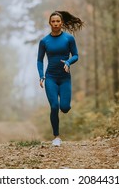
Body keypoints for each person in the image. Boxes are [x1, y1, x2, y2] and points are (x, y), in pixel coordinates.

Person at [37, 11, 83, 147]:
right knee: (54, 106)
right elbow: (39, 60)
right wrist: (41, 76)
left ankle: (65, 104)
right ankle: (56, 137)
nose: (56, 24)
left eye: (58, 21)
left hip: (64, 78)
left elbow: (76, 55)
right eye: (53, 21)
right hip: (50, 77)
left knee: (65, 107)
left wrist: (68, 62)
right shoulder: (44, 41)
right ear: (50, 23)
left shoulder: (69, 39)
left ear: (61, 23)